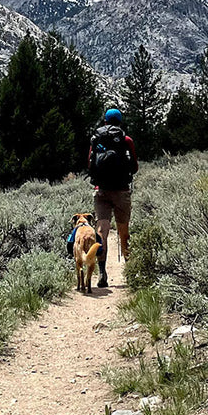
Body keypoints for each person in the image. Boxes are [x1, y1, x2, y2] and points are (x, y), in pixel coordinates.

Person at [86, 107, 138, 288]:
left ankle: (102, 272)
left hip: (101, 191)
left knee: (101, 231)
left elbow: (90, 165)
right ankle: (130, 271)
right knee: (124, 231)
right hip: (122, 190)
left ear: (105, 122)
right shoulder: (126, 140)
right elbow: (135, 166)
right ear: (120, 122)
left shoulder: (96, 139)